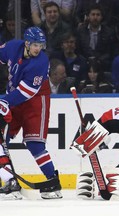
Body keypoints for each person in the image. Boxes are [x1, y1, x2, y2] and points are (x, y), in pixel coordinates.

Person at [0, 26, 62, 199]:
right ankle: (10, 181)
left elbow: (27, 92)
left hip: (36, 100)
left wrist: (4, 101)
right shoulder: (13, 47)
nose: (38, 49)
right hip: (13, 96)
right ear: (26, 43)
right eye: (35, 45)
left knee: (34, 144)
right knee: (1, 137)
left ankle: (53, 182)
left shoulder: (41, 62)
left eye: (41, 45)